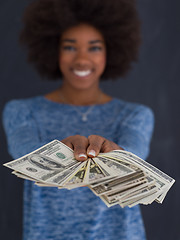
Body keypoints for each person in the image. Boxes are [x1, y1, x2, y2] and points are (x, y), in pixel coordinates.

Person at [2, 0, 154, 239]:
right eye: (70, 47)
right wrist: (56, 152)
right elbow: (25, 155)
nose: (82, 60)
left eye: (94, 48)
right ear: (54, 50)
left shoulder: (135, 115)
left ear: (111, 50)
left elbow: (135, 153)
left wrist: (118, 154)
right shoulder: (22, 111)